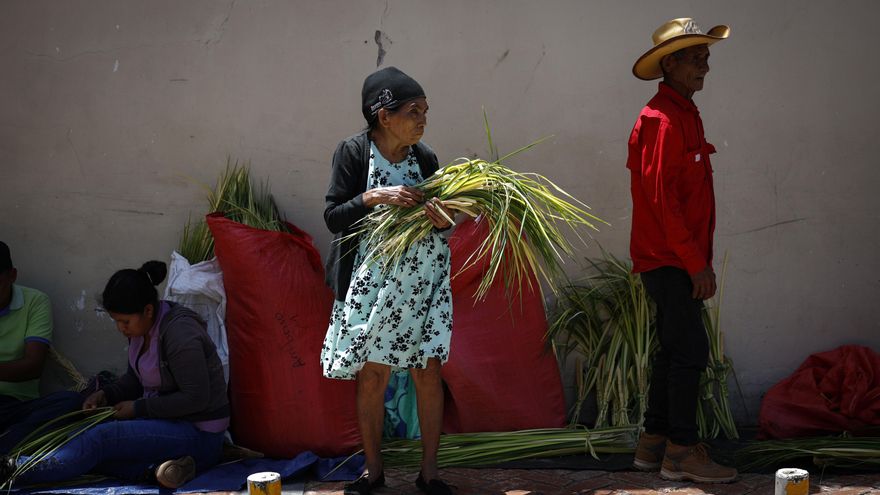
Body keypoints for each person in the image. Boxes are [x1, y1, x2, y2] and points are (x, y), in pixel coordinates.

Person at [321, 66, 455, 495]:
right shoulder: (354, 152)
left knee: (428, 372)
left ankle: (429, 473)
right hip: (373, 285)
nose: (422, 120)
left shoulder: (426, 158)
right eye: (414, 111)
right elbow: (332, 216)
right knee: (373, 374)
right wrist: (373, 195)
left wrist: (441, 220)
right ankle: (373, 471)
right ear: (384, 115)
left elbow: (441, 223)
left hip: (423, 282)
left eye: (426, 112)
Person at [1, 261, 229, 489]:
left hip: (198, 434)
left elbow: (196, 398)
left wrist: (138, 408)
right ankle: (158, 471)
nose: (121, 328)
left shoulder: (181, 334)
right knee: (83, 444)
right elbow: (135, 379)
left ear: (148, 310)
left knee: (99, 440)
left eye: (124, 321)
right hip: (165, 423)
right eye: (116, 321)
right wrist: (106, 394)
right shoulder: (142, 329)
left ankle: (16, 470)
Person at [627, 18, 737, 483]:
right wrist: (697, 265)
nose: (705, 67)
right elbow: (662, 202)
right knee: (690, 350)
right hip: (670, 259)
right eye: (696, 58)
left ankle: (653, 445)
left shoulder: (685, 113)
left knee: (672, 350)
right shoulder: (661, 120)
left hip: (677, 257)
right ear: (669, 63)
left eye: (706, 57)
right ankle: (680, 452)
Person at [0, 241, 83, 454]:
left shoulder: (35, 301)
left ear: (12, 275)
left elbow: (33, 366)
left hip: (16, 406)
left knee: (71, 403)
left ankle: (7, 451)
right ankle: (11, 452)